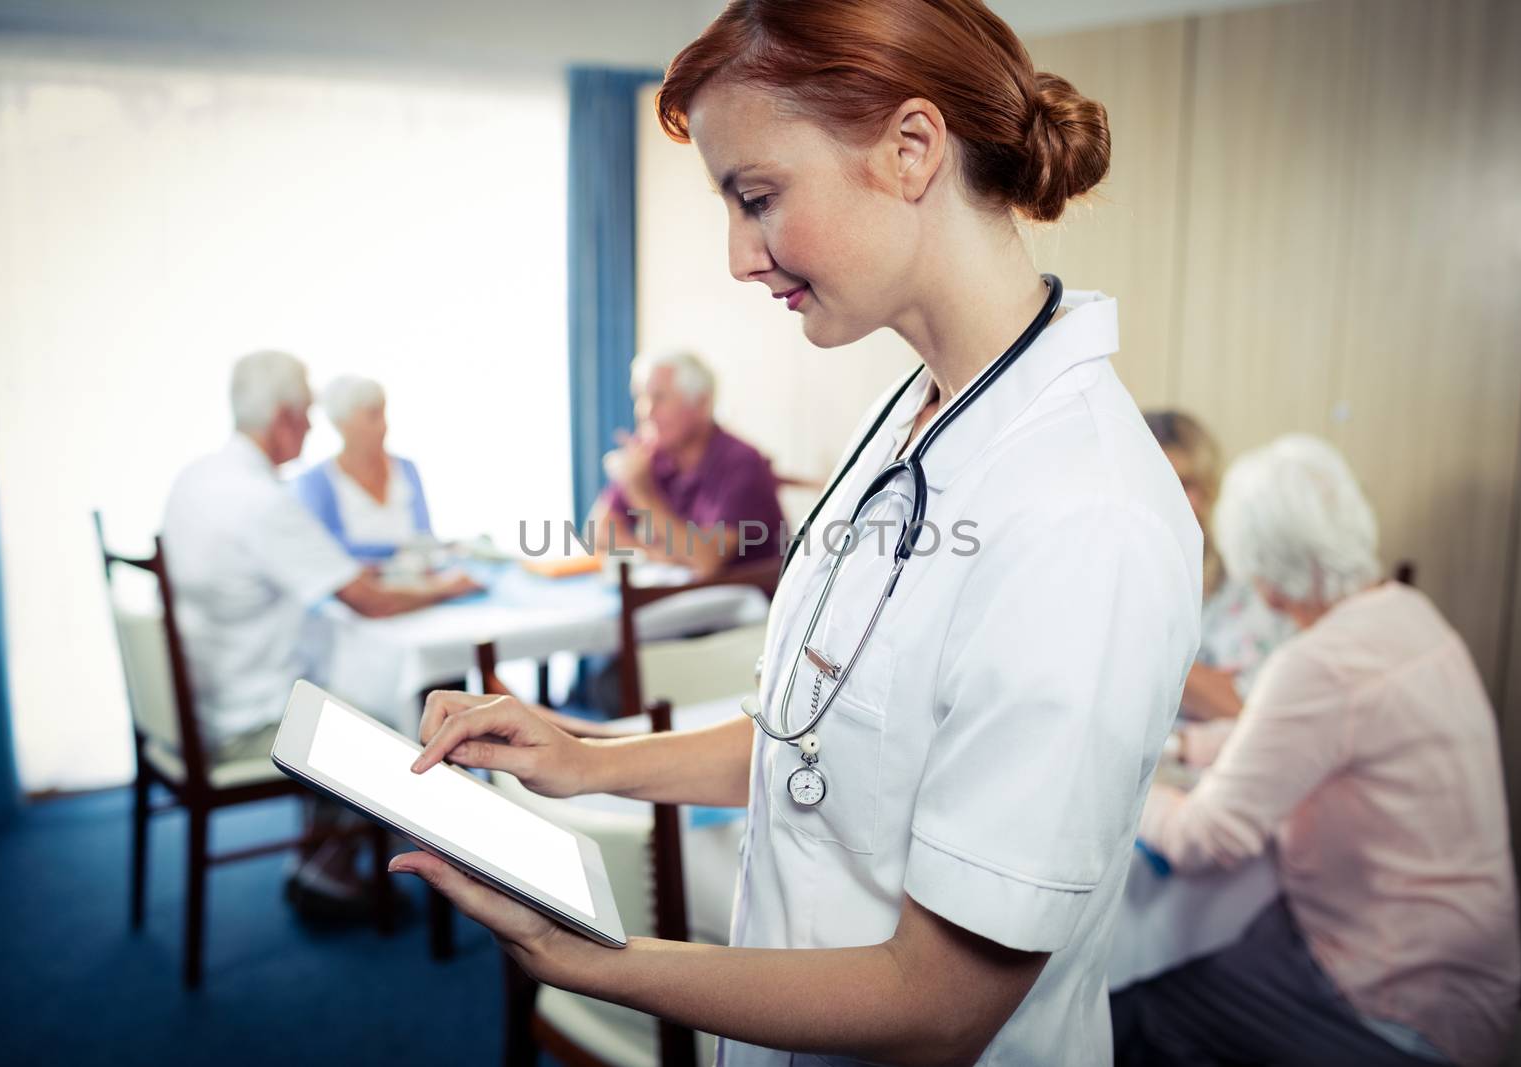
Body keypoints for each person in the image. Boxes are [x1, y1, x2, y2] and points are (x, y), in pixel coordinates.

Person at [389, 3, 1202, 1063]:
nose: (737, 255)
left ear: (911, 149)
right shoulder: (907, 416)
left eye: (757, 197)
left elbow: (940, 1006)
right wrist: (587, 759)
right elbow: (816, 739)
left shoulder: (1083, 514)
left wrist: (594, 956)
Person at [1117, 435, 1521, 1066]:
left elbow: (1208, 837)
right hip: (1472, 978)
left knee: (1133, 1012)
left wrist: (1128, 783)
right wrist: (1187, 744)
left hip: (1400, 1000)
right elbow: (1311, 737)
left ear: (1266, 578)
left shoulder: (1316, 665)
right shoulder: (1407, 615)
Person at [162, 350, 477, 911]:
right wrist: (448, 588)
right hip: (250, 719)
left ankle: (320, 854)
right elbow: (369, 602)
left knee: (348, 686)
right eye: (307, 412)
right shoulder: (262, 501)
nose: (313, 425)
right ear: (284, 418)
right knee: (399, 718)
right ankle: (348, 870)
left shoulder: (197, 478)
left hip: (204, 696)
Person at [1145, 410, 1292, 721]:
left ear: (1210, 489)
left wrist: (1141, 648)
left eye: (1184, 484)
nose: (1168, 501)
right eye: (1154, 483)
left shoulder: (1239, 579)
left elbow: (1245, 711)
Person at [588, 349, 785, 576]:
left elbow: (705, 560)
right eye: (640, 397)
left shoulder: (742, 463)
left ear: (701, 404)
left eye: (659, 398)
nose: (645, 411)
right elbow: (599, 533)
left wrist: (642, 493)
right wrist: (659, 555)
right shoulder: (650, 452)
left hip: (741, 600)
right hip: (675, 593)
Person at [294, 375, 433, 561]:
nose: (383, 426)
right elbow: (322, 553)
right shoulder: (315, 482)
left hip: (421, 584)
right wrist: (398, 549)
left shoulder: (406, 469)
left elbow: (426, 541)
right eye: (373, 416)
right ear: (342, 424)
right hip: (359, 587)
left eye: (383, 414)